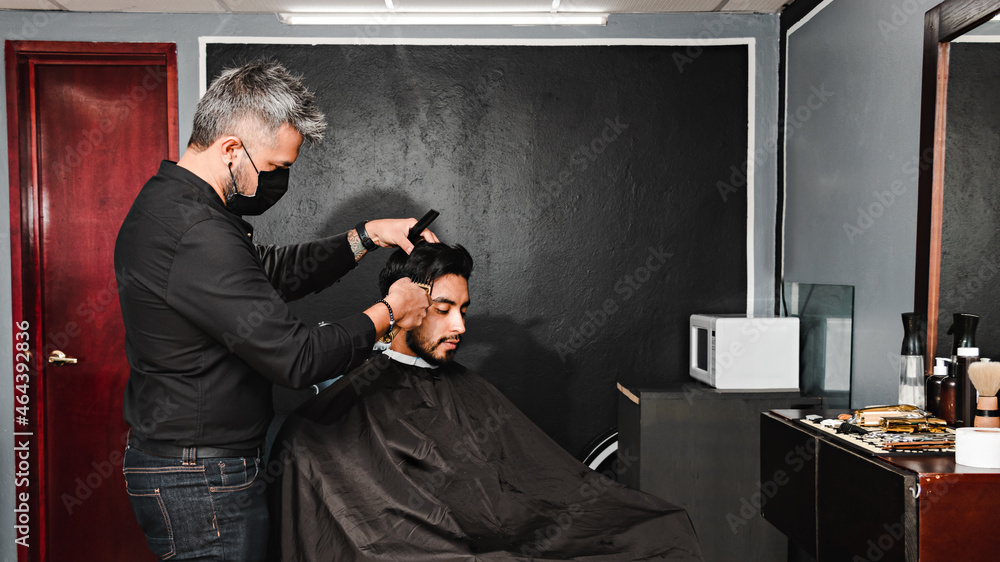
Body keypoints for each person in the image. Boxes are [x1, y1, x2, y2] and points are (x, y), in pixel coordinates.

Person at [114, 59, 435, 561]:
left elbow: (269, 272)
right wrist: (390, 311)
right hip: (201, 479)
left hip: (194, 467)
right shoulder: (195, 231)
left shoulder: (178, 207)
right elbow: (297, 360)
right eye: (276, 168)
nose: (280, 181)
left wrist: (368, 235)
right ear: (230, 149)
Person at [268, 242, 704, 561]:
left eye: (464, 309)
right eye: (443, 309)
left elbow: (528, 485)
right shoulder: (347, 405)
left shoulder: (464, 387)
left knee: (657, 529)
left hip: (503, 533)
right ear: (403, 305)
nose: (459, 325)